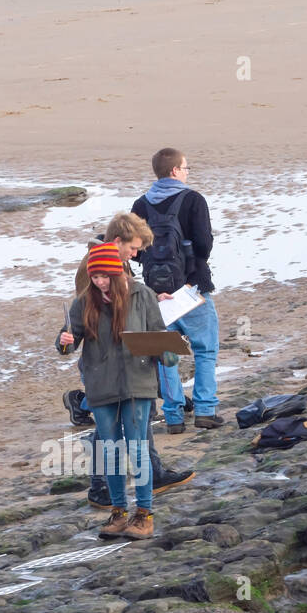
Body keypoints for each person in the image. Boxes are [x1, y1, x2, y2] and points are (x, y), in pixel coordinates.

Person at [71, 213, 194, 508]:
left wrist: (149, 300)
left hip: (127, 362)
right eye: (133, 248)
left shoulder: (119, 266)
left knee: (138, 420)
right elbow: (90, 315)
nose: (136, 254)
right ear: (117, 242)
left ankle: (151, 474)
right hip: (105, 361)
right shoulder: (93, 269)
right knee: (108, 429)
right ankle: (101, 487)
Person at [58, 244, 165, 539]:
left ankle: (144, 514)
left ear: (118, 272)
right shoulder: (84, 302)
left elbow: (160, 334)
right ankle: (118, 512)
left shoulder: (142, 295)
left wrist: (168, 352)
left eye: (105, 276)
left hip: (137, 383)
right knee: (111, 449)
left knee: (136, 447)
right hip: (100, 384)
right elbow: (68, 343)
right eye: (95, 277)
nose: (100, 282)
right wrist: (64, 340)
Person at [132, 148, 223, 431]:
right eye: (185, 168)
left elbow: (135, 252)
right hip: (192, 288)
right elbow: (204, 245)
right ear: (174, 171)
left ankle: (173, 417)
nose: (186, 172)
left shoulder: (140, 204)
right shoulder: (193, 199)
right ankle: (205, 411)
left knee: (165, 355)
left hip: (155, 292)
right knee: (205, 349)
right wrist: (190, 274)